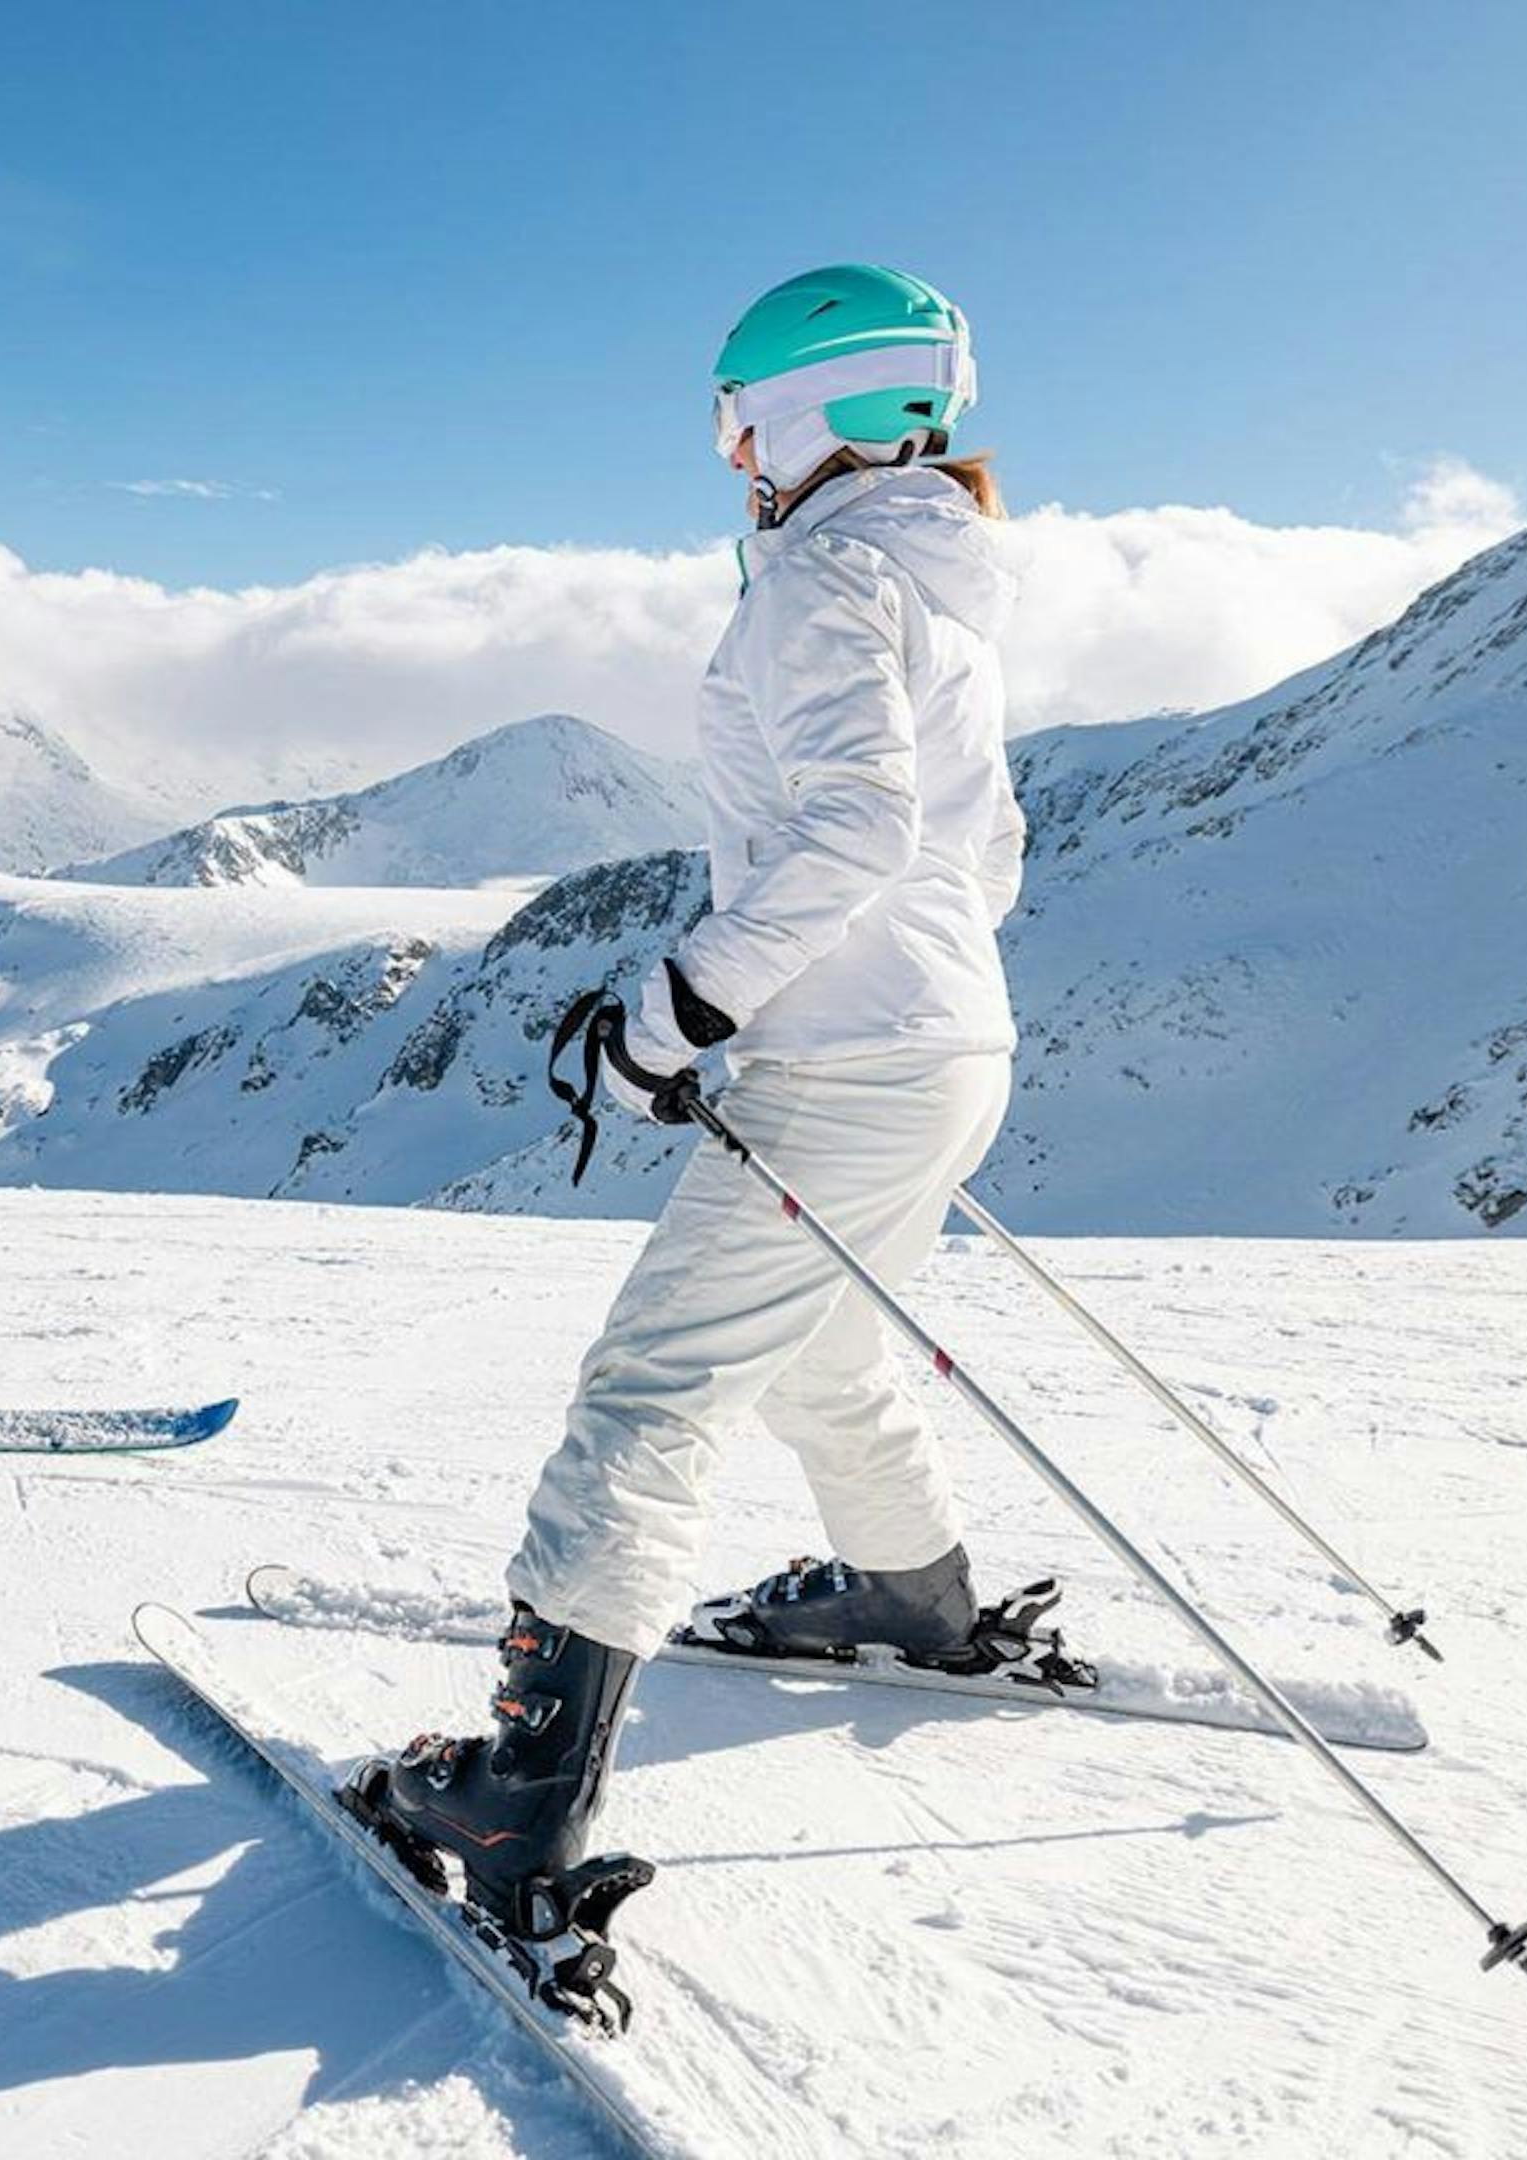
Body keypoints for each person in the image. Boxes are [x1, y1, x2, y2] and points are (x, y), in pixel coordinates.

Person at [367, 265, 1032, 1918]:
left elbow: (854, 834)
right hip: (948, 1043)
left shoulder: (820, 584)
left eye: (737, 416)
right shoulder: (941, 587)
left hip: (859, 1060)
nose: (730, 451)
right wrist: (853, 992)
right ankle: (912, 1595)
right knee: (822, 1345)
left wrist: (677, 1013)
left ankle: (522, 1796)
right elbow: (982, 851)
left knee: (651, 1392)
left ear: (812, 409)